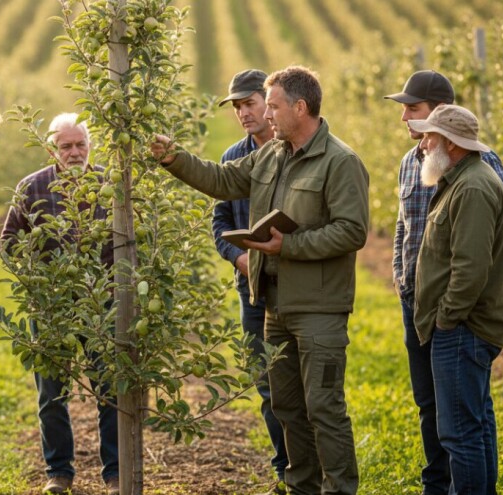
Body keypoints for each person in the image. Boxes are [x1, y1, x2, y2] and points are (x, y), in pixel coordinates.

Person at [152, 65, 367, 495]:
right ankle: (301, 485)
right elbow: (223, 180)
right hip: (275, 304)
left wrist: (287, 246)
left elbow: (352, 231)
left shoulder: (340, 162)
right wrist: (174, 159)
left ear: (300, 107)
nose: (266, 116)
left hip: (319, 307)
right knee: (287, 405)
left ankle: (339, 488)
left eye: (273, 106)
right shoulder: (271, 155)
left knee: (324, 407)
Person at [384, 70, 503, 495]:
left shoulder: (478, 173)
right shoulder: (417, 163)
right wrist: (401, 273)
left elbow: (502, 232)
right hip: (420, 303)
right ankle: (438, 485)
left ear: (442, 121)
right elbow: (405, 228)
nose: (409, 121)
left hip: (455, 316)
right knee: (439, 409)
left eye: (416, 111)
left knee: (463, 420)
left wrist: (451, 308)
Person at [1, 113, 119, 495]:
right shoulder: (32, 187)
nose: (73, 153)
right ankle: (59, 471)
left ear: (90, 146)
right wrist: (38, 276)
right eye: (65, 146)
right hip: (51, 307)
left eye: (79, 145)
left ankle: (116, 472)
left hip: (102, 303)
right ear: (53, 148)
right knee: (51, 393)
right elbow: (9, 243)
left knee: (111, 389)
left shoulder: (109, 184)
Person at [408, 104, 503, 494]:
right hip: (466, 328)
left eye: (429, 137)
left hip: (463, 329)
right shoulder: (462, 180)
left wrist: (445, 318)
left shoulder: (471, 187)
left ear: (450, 144)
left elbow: (469, 269)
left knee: (458, 433)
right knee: (475, 425)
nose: (422, 144)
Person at [210, 69, 288, 490]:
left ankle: (307, 468)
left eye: (249, 103)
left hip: (292, 282)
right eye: (237, 107)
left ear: (269, 101)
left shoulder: (291, 152)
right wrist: (238, 257)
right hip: (250, 287)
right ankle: (284, 469)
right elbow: (219, 222)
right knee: (265, 381)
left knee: (296, 382)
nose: (243, 113)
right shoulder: (231, 159)